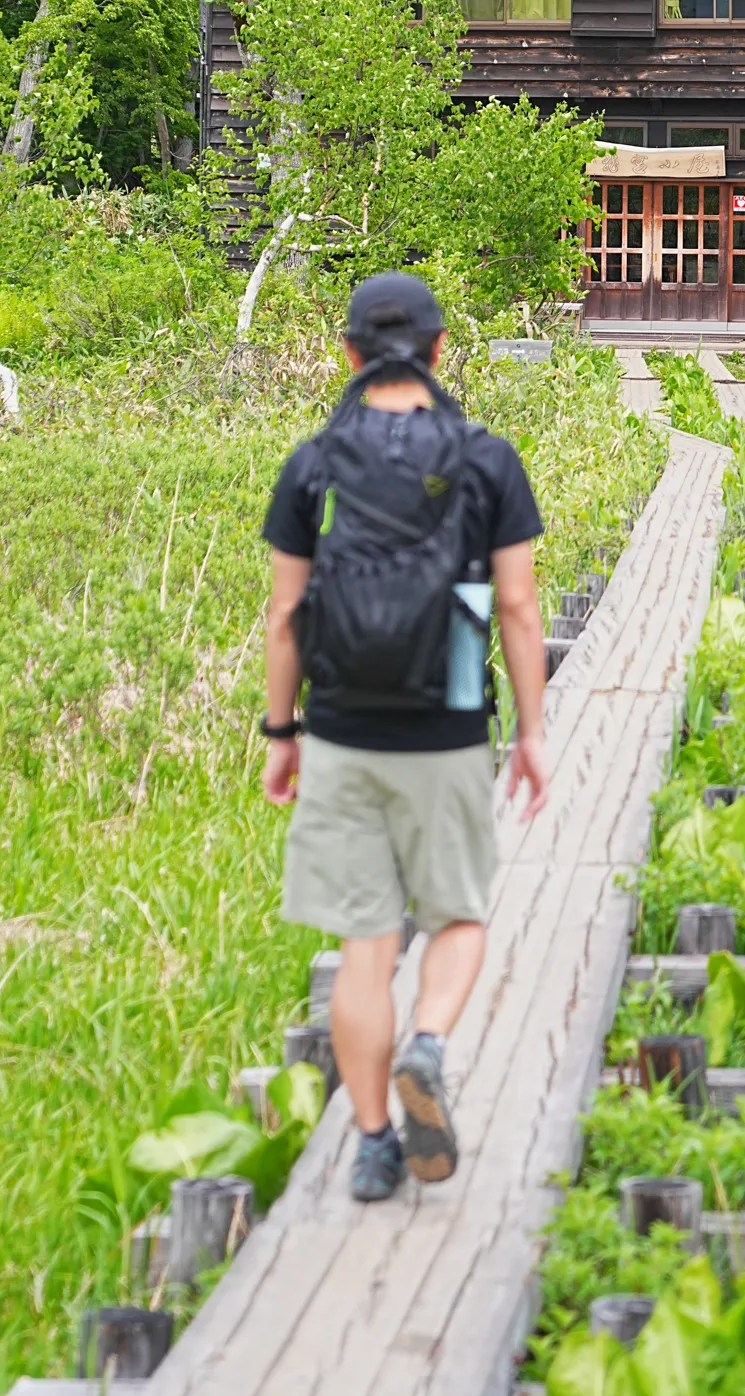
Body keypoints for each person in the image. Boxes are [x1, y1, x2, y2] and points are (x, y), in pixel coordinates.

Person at [260, 271, 551, 1202]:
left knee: (365, 942)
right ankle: (429, 1043)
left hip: (343, 721)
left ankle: (376, 1141)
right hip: (452, 717)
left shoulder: (314, 462)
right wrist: (534, 732)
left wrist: (282, 733)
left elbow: (285, 614)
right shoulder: (485, 456)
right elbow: (515, 603)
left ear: (347, 353)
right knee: (458, 915)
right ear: (438, 350)